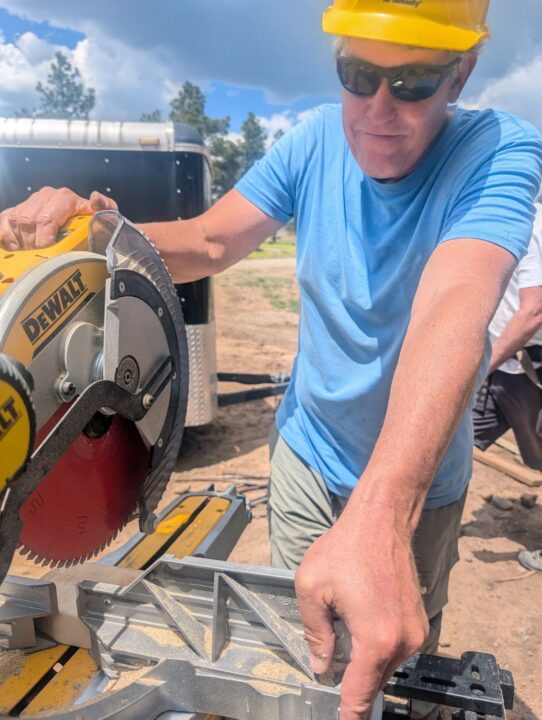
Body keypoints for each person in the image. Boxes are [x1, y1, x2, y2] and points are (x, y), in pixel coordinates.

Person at [2, 3, 542, 719]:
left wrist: (382, 513)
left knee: (400, 651)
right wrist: (95, 236)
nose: (378, 107)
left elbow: (456, 301)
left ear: (462, 73)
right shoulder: (313, 140)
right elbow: (210, 242)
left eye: (412, 81)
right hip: (307, 457)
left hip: (421, 478)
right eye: (358, 74)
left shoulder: (499, 148)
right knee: (303, 647)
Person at [473, 204, 542, 572]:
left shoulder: (534, 224)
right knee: (462, 433)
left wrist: (483, 365)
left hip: (527, 365)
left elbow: (534, 311)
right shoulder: (506, 217)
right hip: (505, 360)